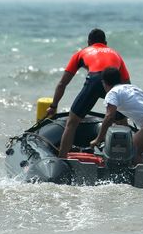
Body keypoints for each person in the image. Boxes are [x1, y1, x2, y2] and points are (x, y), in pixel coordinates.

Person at [46, 28, 131, 158]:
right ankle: (127, 158)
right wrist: (126, 109)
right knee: (122, 123)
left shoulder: (82, 53)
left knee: (72, 123)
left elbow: (62, 83)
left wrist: (53, 106)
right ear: (106, 43)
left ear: (88, 42)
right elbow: (127, 84)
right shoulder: (115, 54)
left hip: (95, 80)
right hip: (114, 84)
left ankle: (62, 158)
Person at [89, 67, 143, 164]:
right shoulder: (131, 87)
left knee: (130, 151)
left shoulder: (112, 93)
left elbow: (109, 116)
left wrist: (98, 139)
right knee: (135, 149)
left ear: (103, 83)